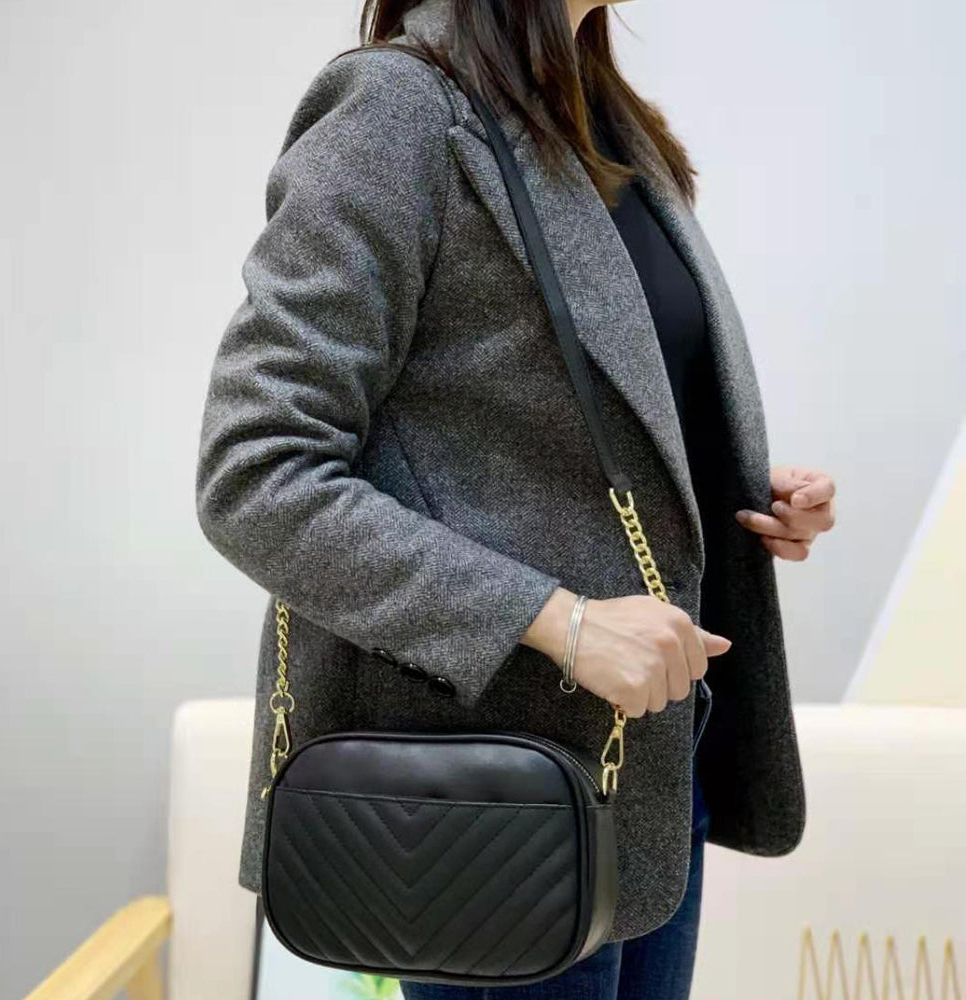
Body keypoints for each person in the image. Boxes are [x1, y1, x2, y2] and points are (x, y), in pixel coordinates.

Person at [194, 0, 838, 996]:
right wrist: (562, 623)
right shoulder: (398, 109)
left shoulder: (604, 122)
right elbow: (256, 473)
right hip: (492, 800)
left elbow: (567, 421)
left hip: (649, 771)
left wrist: (731, 489)